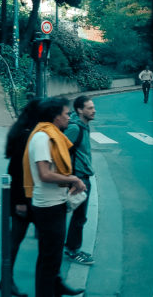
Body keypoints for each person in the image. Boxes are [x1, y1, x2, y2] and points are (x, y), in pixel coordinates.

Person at [23, 97, 87, 297]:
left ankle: (56, 286)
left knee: (52, 254)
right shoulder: (43, 137)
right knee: (48, 257)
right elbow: (44, 174)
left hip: (55, 203)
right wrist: (73, 179)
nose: (70, 117)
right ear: (55, 115)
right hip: (48, 206)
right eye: (67, 114)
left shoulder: (52, 135)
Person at [2, 97, 42, 297]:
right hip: (25, 198)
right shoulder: (27, 135)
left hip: (29, 196)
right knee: (16, 239)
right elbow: (16, 170)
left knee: (43, 240)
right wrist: (19, 202)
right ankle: (6, 282)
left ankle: (6, 281)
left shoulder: (23, 130)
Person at [63, 96, 96, 266]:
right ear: (80, 110)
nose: (94, 110)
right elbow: (59, 151)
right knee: (79, 216)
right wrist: (71, 178)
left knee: (77, 215)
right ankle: (72, 250)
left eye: (93, 107)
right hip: (78, 179)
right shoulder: (75, 128)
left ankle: (70, 246)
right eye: (89, 108)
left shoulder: (83, 126)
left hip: (82, 177)